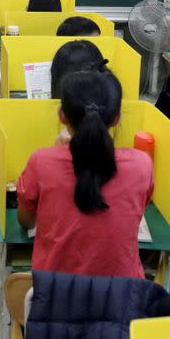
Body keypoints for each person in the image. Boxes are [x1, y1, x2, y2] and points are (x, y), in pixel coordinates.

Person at [16, 70, 153, 277]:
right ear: (116, 118)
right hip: (123, 299)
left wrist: (55, 152)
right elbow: (138, 210)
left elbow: (26, 221)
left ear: (62, 114)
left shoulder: (40, 162)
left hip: (55, 297)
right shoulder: (142, 164)